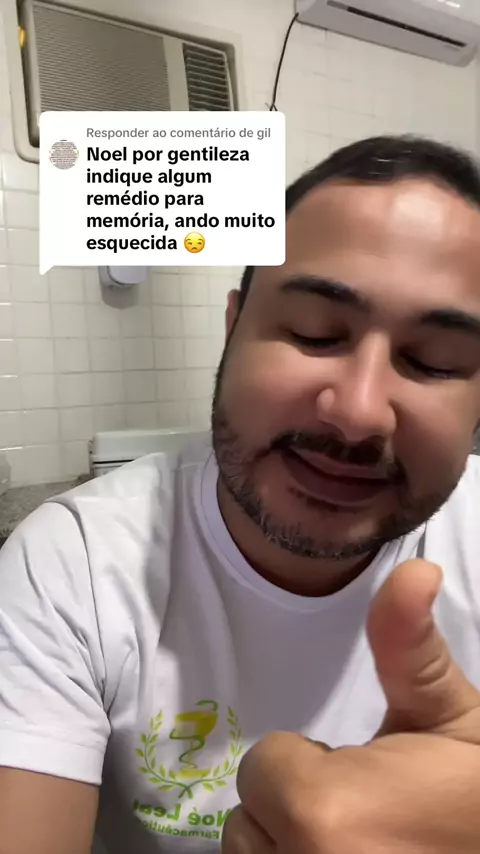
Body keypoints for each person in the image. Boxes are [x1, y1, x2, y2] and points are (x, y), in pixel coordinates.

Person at [1, 135, 480, 854]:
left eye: (433, 362)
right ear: (233, 331)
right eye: (314, 333)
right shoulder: (73, 564)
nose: (357, 412)